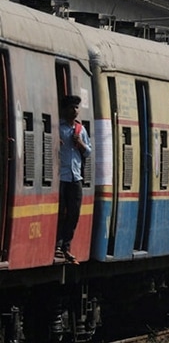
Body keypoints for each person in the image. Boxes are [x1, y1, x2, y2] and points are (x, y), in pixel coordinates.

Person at [56, 95, 92, 264]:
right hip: (61, 177)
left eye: (77, 108)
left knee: (74, 213)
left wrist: (80, 144)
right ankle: (57, 245)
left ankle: (66, 246)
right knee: (60, 212)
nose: (75, 110)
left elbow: (88, 152)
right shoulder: (58, 128)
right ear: (64, 110)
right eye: (71, 107)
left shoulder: (80, 130)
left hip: (75, 177)